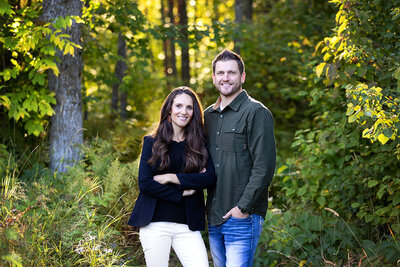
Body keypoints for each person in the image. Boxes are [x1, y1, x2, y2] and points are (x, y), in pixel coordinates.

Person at [128, 86, 216, 267]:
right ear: (169, 109)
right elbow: (145, 184)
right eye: (179, 106)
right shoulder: (151, 142)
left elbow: (209, 178)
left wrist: (172, 178)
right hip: (154, 223)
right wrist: (182, 192)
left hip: (187, 224)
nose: (184, 112)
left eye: (189, 107)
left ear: (194, 112)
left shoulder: (200, 145)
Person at [204, 49, 276, 267]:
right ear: (214, 77)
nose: (226, 78)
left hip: (242, 217)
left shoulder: (256, 112)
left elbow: (264, 167)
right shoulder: (208, 116)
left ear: (242, 76)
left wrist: (242, 208)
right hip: (214, 216)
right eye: (221, 73)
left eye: (232, 73)